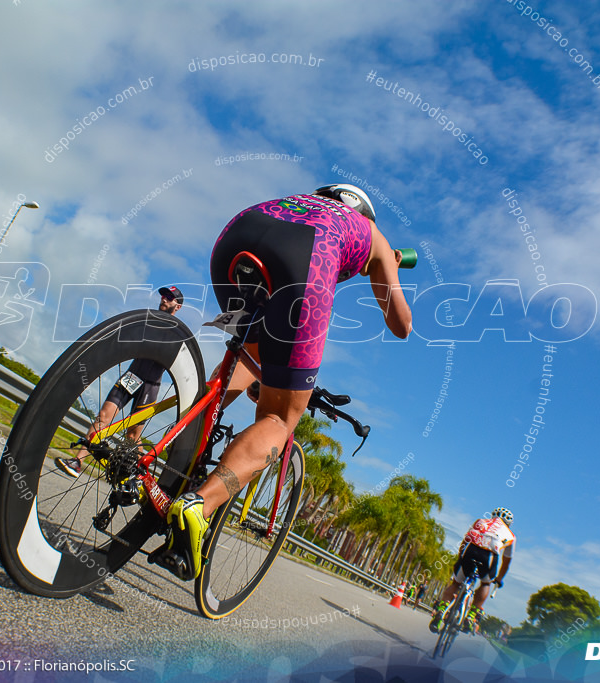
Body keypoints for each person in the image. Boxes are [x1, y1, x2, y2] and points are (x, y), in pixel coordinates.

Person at [161, 184, 413, 580]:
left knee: (251, 348)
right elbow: (401, 325)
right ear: (364, 213)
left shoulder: (301, 203)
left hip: (240, 233)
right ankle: (200, 504)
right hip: (303, 258)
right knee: (279, 419)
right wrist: (389, 263)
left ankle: (177, 449)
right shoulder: (371, 234)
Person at [54, 286, 184, 478]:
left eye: (170, 298)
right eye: (164, 296)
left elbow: (173, 360)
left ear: (177, 306)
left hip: (151, 385)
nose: (164, 299)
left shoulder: (177, 332)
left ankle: (141, 475)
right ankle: (77, 461)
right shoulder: (146, 320)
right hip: (132, 375)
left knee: (132, 435)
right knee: (103, 417)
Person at [431, 507, 515, 633]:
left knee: (455, 583)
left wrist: (460, 558)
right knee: (485, 584)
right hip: (489, 556)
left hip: (471, 550)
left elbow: (465, 541)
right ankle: (471, 616)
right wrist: (498, 579)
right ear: (509, 524)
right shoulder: (511, 535)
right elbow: (506, 562)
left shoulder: (480, 521)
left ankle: (442, 610)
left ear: (492, 516)